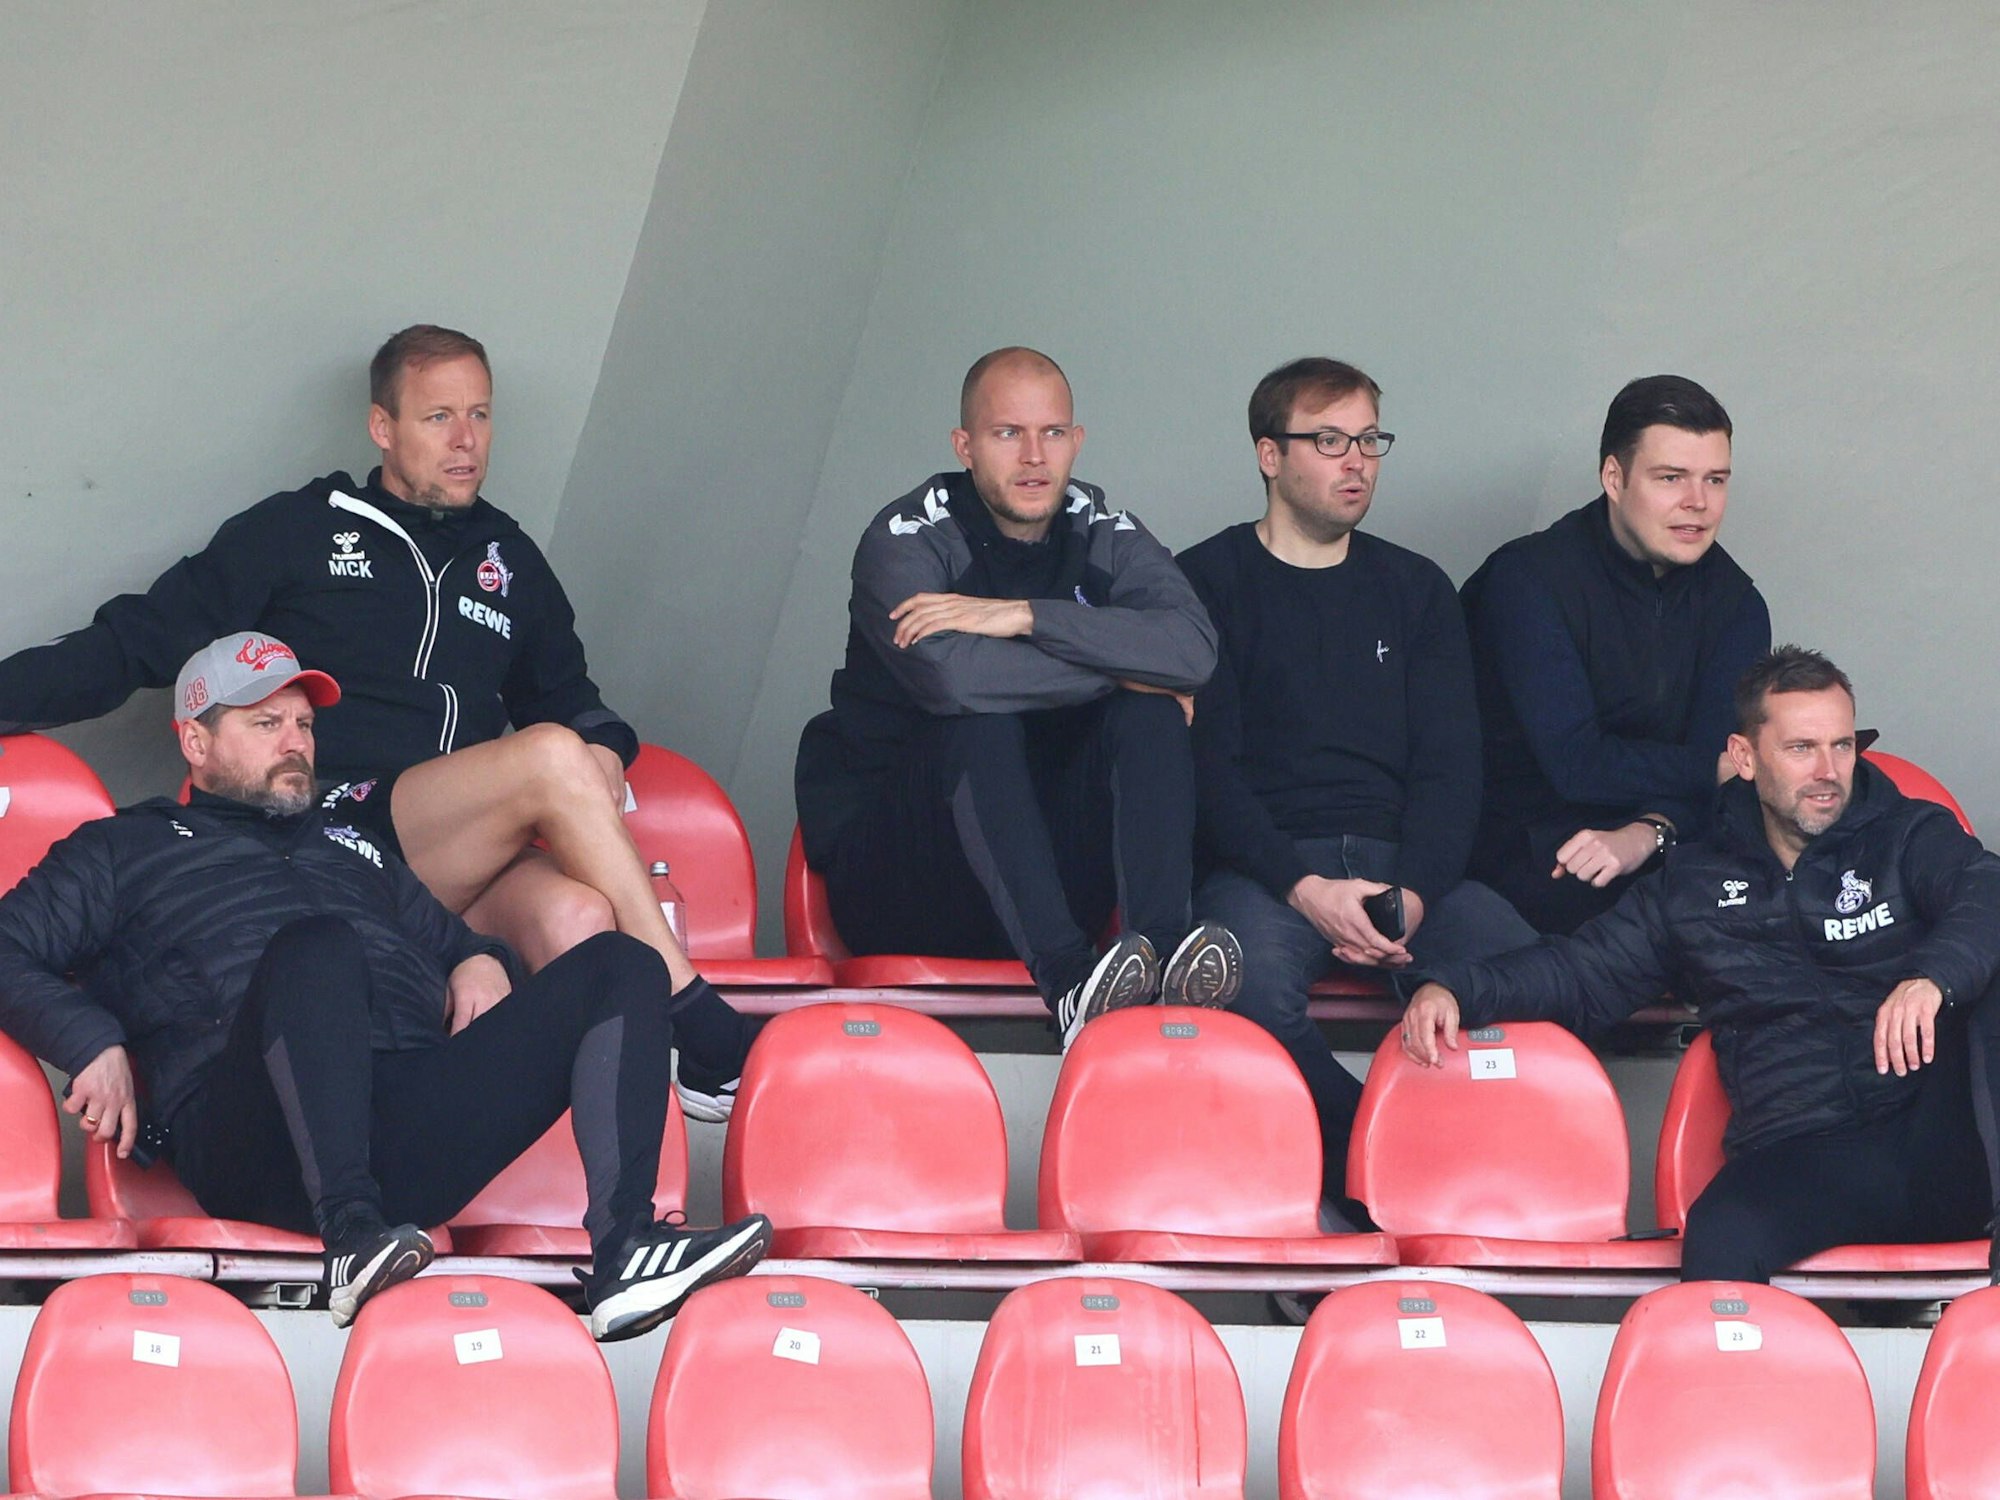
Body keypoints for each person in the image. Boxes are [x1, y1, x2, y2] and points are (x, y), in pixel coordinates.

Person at [0, 325, 753, 1118]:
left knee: (580, 915)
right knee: (548, 759)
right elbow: (133, 643)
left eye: (481, 416)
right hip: (333, 840)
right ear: (382, 428)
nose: (466, 441)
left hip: (456, 858)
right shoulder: (302, 527)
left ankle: (610, 1142)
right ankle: (700, 1024)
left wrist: (602, 748)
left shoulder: (512, 560)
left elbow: (570, 697)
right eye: (437, 418)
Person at [0, 633, 771, 1335]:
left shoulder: (352, 848)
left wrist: (483, 961)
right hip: (255, 1144)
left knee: (625, 963)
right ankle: (352, 1239)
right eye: (266, 725)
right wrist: (88, 1039)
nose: (295, 743)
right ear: (195, 742)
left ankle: (626, 1249)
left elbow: (457, 940)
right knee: (320, 947)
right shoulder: (119, 847)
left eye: (303, 725)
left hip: (407, 1131)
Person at [1403, 647, 2000, 1283]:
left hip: (1948, 1143)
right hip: (1808, 1150)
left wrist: (1931, 977)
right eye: (1801, 748)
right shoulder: (1693, 882)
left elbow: (1984, 888)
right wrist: (1457, 987)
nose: (1829, 771)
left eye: (1843, 746)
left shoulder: (1909, 834)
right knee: (1720, 1242)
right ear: (1744, 757)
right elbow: (1582, 973)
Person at [794, 346, 1239, 1046]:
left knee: (1151, 712)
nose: (1035, 456)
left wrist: (1029, 616)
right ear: (965, 446)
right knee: (979, 725)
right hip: (908, 877)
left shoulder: (1100, 526)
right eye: (1008, 434)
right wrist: (1118, 664)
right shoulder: (908, 535)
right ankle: (1070, 988)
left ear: (1077, 441)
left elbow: (1191, 652)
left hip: (1051, 873)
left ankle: (1160, 959)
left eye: (1052, 433)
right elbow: (953, 679)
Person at [1179, 357, 1537, 1220]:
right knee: (1240, 993)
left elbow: (1454, 768)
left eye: (1370, 439)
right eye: (1330, 440)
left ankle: (1460, 1188)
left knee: (1536, 972)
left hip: (1403, 863)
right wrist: (1304, 890)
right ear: (1270, 454)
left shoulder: (1415, 590)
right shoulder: (1202, 583)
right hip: (1270, 869)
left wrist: (1413, 892)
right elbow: (1205, 773)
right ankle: (1376, 1158)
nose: (1357, 461)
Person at [1461, 375, 1771, 934]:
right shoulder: (1529, 580)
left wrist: (1651, 831)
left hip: (1673, 844)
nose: (1697, 503)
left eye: (1715, 480)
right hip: (1527, 847)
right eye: (1670, 478)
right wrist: (1713, 769)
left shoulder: (1737, 604)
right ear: (1614, 477)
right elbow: (1577, 765)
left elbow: (1726, 772)